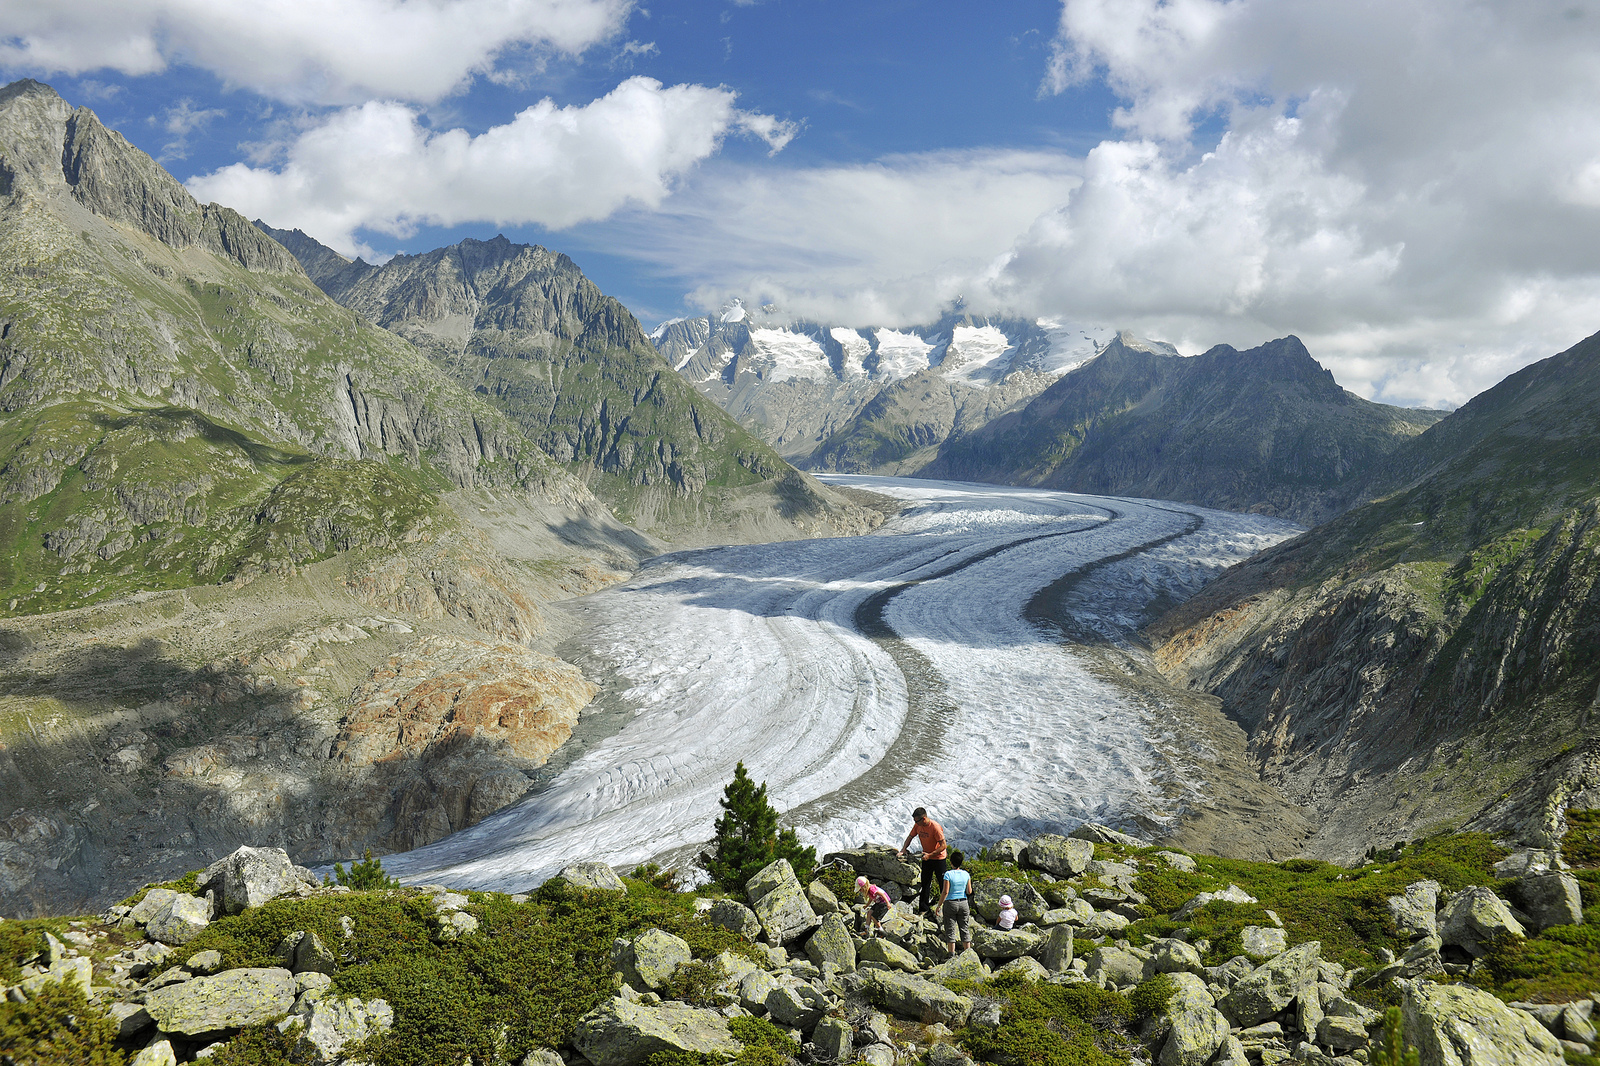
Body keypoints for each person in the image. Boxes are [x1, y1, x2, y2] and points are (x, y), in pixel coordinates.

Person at [897, 806, 948, 913]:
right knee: (925, 883)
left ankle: (947, 907)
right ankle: (923, 909)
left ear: (923, 819)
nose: (915, 823)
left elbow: (943, 845)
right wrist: (903, 849)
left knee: (943, 883)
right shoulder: (918, 826)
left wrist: (930, 855)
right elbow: (910, 836)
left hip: (939, 859)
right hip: (927, 857)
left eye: (916, 820)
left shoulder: (935, 827)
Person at [935, 849, 972, 955]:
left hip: (950, 903)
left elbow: (945, 891)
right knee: (964, 928)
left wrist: (939, 905)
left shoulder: (948, 874)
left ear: (951, 862)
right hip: (964, 902)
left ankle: (951, 955)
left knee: (950, 929)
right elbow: (969, 891)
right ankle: (968, 954)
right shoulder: (966, 874)